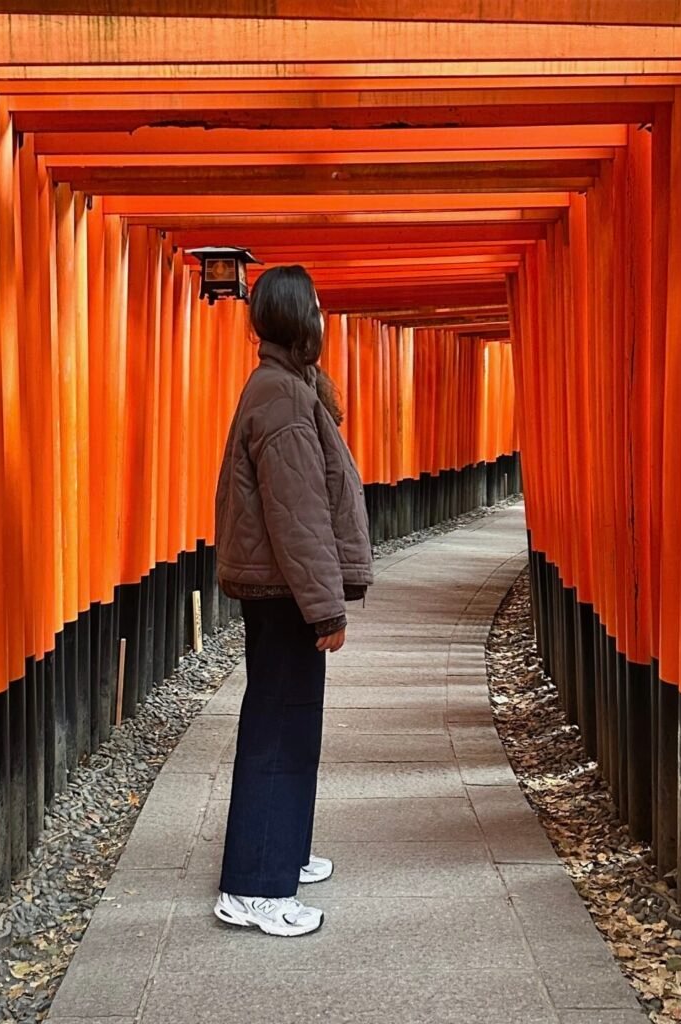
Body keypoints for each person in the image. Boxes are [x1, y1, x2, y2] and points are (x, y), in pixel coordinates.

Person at [212, 265, 374, 937]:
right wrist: (325, 606)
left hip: (281, 588)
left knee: (288, 723)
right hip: (283, 591)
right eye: (315, 306)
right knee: (279, 730)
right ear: (293, 317)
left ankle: (279, 850)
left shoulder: (288, 386)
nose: (322, 315)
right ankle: (254, 887)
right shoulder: (281, 396)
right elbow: (297, 512)